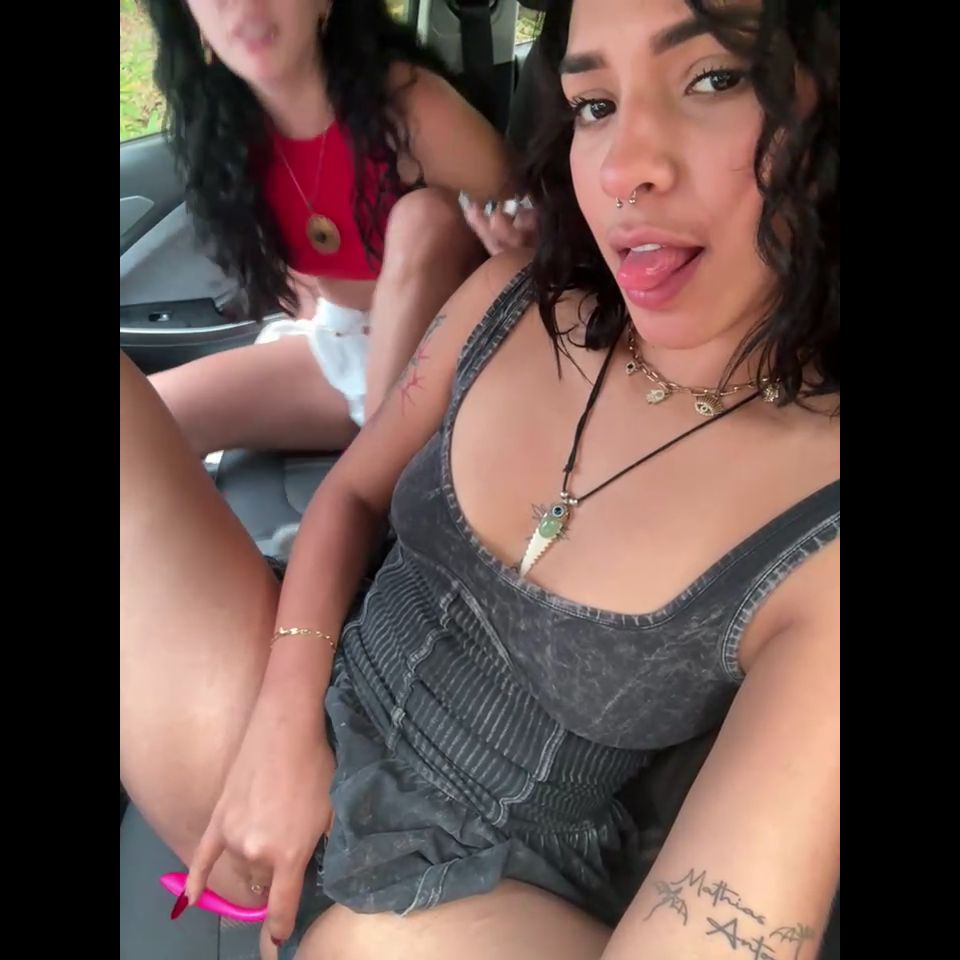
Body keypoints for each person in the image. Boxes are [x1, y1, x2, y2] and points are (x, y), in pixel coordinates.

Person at [120, 0, 840, 957]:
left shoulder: (821, 527)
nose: (623, 168)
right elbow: (351, 493)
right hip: (287, 717)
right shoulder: (514, 298)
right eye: (594, 106)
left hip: (476, 893)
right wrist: (280, 732)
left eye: (714, 79)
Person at [143, 0, 523, 456]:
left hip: (456, 361)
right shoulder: (228, 135)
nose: (243, 3)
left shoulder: (409, 104)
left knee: (424, 217)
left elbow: (533, 229)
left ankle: (369, 478)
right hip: (343, 345)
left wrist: (515, 240)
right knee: (139, 421)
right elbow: (303, 287)